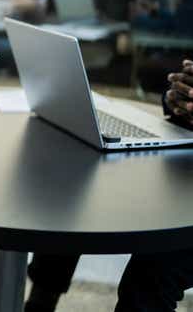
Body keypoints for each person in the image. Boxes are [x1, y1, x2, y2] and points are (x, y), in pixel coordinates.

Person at [26, 59, 193, 312]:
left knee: (153, 270)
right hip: (183, 175)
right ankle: (40, 303)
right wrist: (177, 100)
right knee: (76, 191)